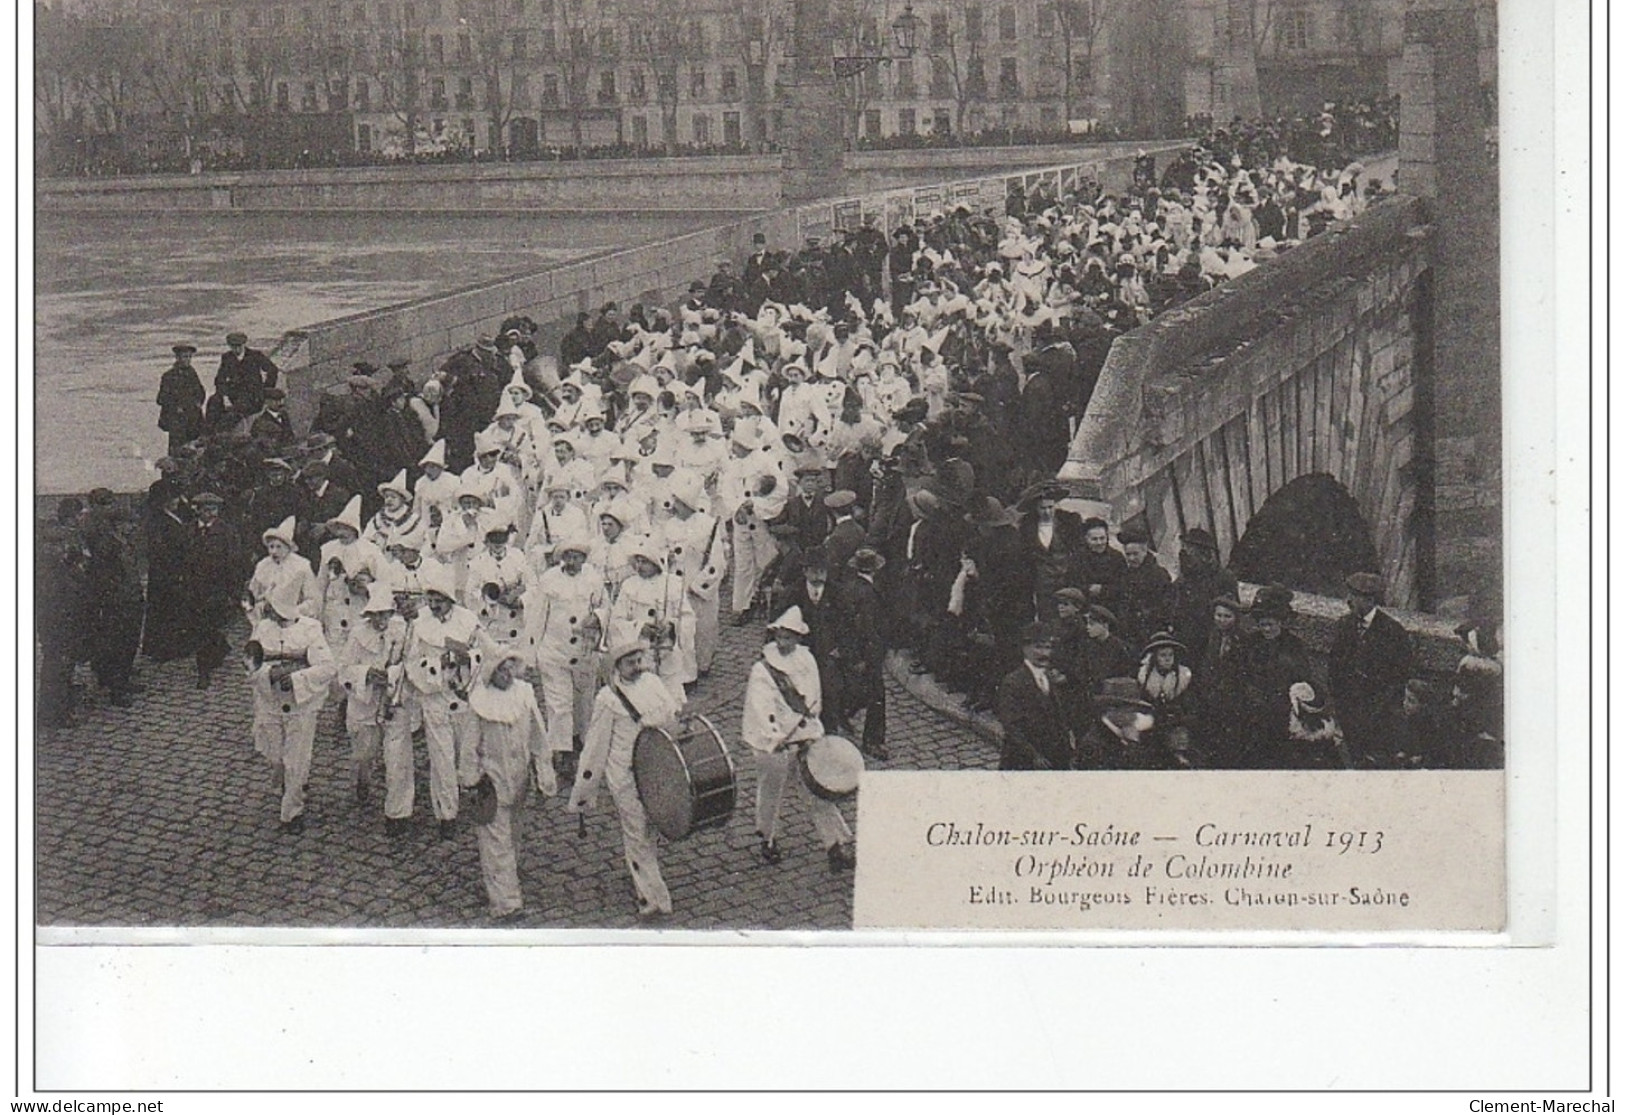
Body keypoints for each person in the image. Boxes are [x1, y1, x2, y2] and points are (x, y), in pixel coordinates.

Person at [567, 636, 686, 920]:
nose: (636, 666)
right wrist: (584, 792)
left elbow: (672, 715)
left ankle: (643, 872)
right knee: (636, 834)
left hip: (655, 769)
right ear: (617, 665)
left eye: (638, 660)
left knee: (649, 829)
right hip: (624, 775)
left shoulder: (654, 684)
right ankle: (652, 898)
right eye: (629, 662)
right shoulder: (608, 699)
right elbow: (595, 745)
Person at [741, 607, 856, 872]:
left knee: (817, 791)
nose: (784, 642)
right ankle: (768, 839)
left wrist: (812, 730)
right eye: (780, 636)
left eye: (789, 637)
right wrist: (775, 736)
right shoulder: (762, 669)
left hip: (803, 736)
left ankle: (835, 845)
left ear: (798, 638)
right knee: (772, 792)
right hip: (774, 742)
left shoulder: (807, 660)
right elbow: (761, 707)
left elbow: (813, 698)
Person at [393, 563, 489, 838]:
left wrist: (465, 659)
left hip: (464, 696)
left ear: (450, 600)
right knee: (441, 757)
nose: (434, 605)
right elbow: (410, 662)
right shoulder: (419, 623)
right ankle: (447, 814)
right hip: (434, 696)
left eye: (439, 601)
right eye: (430, 600)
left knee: (467, 754)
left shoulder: (468, 620)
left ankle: (473, 789)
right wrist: (438, 664)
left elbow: (484, 652)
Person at [244, 582, 336, 834]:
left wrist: (297, 678)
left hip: (301, 703)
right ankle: (288, 784)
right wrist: (268, 674)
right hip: (270, 701)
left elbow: (327, 667)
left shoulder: (311, 629)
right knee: (275, 755)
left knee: (296, 758)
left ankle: (292, 812)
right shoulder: (262, 629)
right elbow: (250, 663)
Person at [470, 650, 553, 921]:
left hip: (519, 779)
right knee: (496, 842)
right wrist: (472, 779)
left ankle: (500, 880)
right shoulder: (480, 702)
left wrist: (543, 773)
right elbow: (469, 747)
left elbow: (538, 736)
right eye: (500, 671)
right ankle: (506, 903)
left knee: (513, 835)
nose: (506, 675)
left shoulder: (524, 695)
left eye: (509, 670)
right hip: (491, 782)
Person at [1327, 571, 1414, 768]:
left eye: (1353, 597)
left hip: (1378, 717)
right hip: (1348, 712)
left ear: (1369, 600)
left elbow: (1399, 677)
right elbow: (1334, 668)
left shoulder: (1393, 632)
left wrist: (1377, 710)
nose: (1348, 601)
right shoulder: (1344, 625)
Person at [335, 583, 406, 806]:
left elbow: (407, 661)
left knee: (394, 750)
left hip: (390, 698)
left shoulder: (401, 631)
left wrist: (392, 674)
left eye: (384, 614)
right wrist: (366, 674)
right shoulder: (358, 634)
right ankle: (362, 780)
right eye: (375, 615)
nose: (380, 620)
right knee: (363, 751)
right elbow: (344, 668)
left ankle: (394, 793)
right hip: (363, 700)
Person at [832, 547, 889, 760]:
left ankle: (842, 714)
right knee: (876, 696)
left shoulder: (849, 588)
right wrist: (863, 658)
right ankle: (873, 741)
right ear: (875, 570)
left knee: (856, 690)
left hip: (853, 653)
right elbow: (866, 629)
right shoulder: (868, 594)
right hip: (867, 654)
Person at [37, 498, 89, 730]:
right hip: (58, 627)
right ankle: (55, 714)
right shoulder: (51, 574)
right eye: (59, 546)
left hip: (61, 626)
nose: (63, 550)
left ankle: (60, 707)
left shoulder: (57, 567)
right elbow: (56, 602)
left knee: (60, 669)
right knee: (57, 670)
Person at [995, 623, 1075, 770]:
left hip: (1054, 755)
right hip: (1025, 759)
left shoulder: (1049, 677)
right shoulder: (1013, 682)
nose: (1044, 653)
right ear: (1025, 649)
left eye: (1048, 647)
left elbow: (1059, 716)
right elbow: (1011, 726)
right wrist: (1033, 755)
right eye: (1038, 647)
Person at [184, 490, 240, 689]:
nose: (211, 514)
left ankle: (209, 663)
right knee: (202, 630)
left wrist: (233, 594)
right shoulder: (189, 530)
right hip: (194, 589)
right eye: (206, 510)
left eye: (214, 509)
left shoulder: (226, 532)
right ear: (197, 511)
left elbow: (233, 564)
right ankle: (207, 665)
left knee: (208, 628)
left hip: (216, 589)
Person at [215, 331, 279, 423]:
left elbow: (272, 370)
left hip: (253, 395)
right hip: (234, 393)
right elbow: (220, 379)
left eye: (239, 346)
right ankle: (209, 432)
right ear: (229, 346)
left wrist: (266, 390)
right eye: (233, 347)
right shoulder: (227, 357)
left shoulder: (255, 355)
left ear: (244, 344)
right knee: (214, 401)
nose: (236, 350)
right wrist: (223, 395)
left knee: (234, 412)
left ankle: (227, 430)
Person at [156, 343, 206, 455]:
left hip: (194, 418)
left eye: (189, 357)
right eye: (185, 357)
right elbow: (161, 398)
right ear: (177, 358)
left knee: (197, 447)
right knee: (177, 451)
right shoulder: (169, 376)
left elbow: (200, 391)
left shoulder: (192, 373)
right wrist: (176, 407)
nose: (188, 360)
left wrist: (198, 402)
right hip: (177, 421)